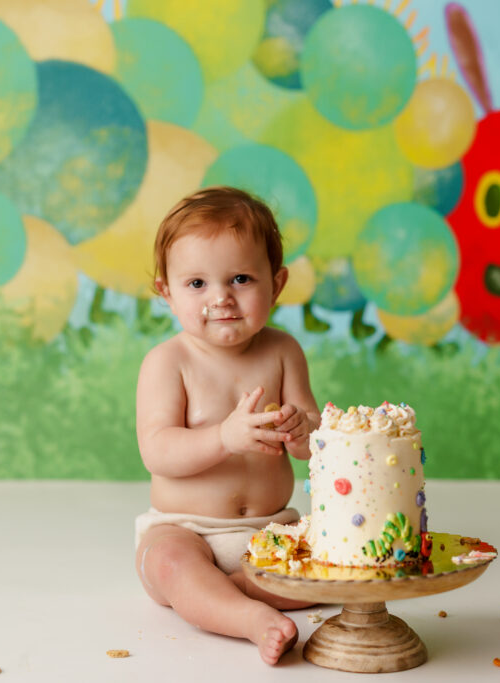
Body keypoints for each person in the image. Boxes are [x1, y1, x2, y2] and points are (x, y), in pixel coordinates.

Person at [134, 186, 321, 665]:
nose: (221, 298)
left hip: (272, 530)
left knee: (333, 559)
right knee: (168, 565)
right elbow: (157, 450)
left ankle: (225, 595)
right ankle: (250, 617)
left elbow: (312, 444)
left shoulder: (282, 351)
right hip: (185, 530)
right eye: (197, 284)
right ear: (166, 292)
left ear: (275, 285)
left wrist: (305, 431)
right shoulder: (168, 362)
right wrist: (224, 437)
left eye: (240, 279)